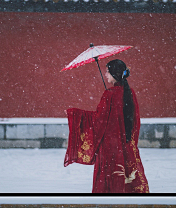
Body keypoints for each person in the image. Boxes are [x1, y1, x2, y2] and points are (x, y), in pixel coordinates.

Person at [64, 57, 149, 195]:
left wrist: (75, 114)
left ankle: (108, 199)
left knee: (109, 177)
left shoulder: (109, 95)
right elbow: (134, 121)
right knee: (128, 175)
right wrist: (128, 141)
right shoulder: (130, 93)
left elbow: (98, 120)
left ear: (115, 74)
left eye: (108, 72)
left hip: (109, 147)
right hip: (126, 144)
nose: (106, 74)